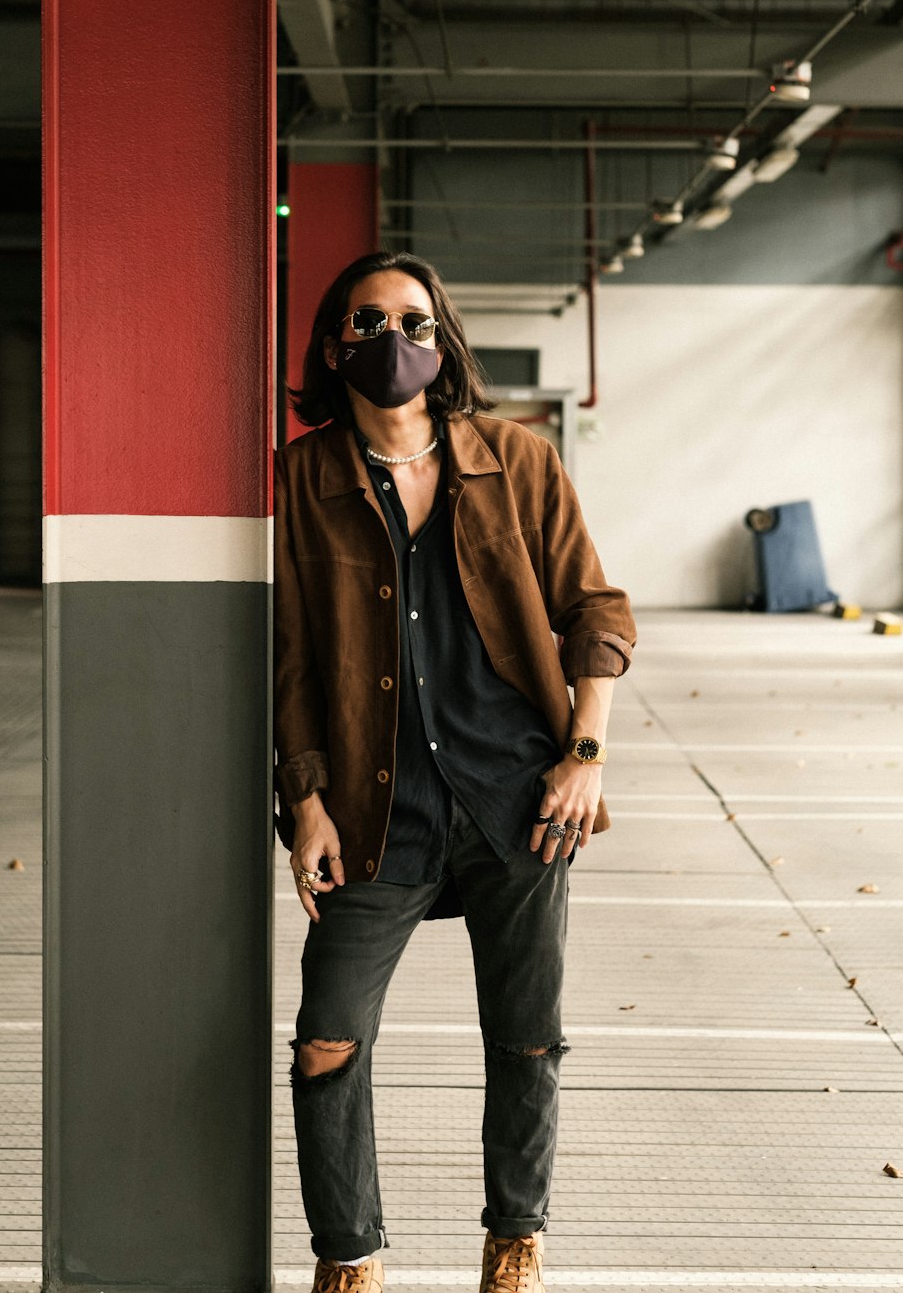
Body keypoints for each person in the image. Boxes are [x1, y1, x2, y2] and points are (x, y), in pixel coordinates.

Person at [273, 250, 637, 1293]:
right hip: (370, 812)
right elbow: (290, 654)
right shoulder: (302, 478)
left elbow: (595, 611)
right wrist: (303, 802)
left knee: (525, 1040)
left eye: (415, 323)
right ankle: (350, 1257)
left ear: (444, 344)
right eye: (367, 321)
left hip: (519, 801)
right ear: (333, 343)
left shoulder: (514, 461)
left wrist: (584, 754)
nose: (393, 341)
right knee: (324, 1039)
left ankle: (514, 1237)